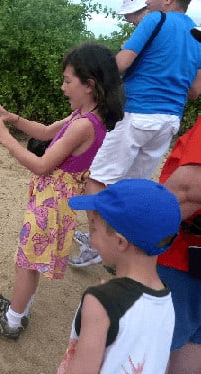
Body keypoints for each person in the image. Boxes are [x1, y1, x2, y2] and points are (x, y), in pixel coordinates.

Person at [0, 42, 124, 340]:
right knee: (29, 258)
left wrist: (5, 138)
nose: (63, 86)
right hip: (55, 199)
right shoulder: (84, 115)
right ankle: (20, 308)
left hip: (53, 202)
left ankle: (13, 321)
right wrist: (12, 119)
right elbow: (44, 132)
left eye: (68, 81)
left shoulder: (84, 125)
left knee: (26, 261)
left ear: (90, 85)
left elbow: (42, 166)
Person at [25, 179, 181, 374]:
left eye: (94, 228)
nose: (91, 236)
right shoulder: (166, 298)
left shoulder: (100, 301)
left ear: (120, 242)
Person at [70, 0, 201, 267]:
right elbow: (194, 91)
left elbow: (121, 63)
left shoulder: (155, 19)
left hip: (137, 112)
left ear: (168, 0)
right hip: (168, 122)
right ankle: (120, 244)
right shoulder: (197, 35)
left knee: (97, 178)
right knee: (131, 185)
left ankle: (98, 244)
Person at [144, 114, 201, 374]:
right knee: (198, 337)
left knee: (155, 336)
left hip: (184, 259)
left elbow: (188, 188)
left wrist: (136, 234)